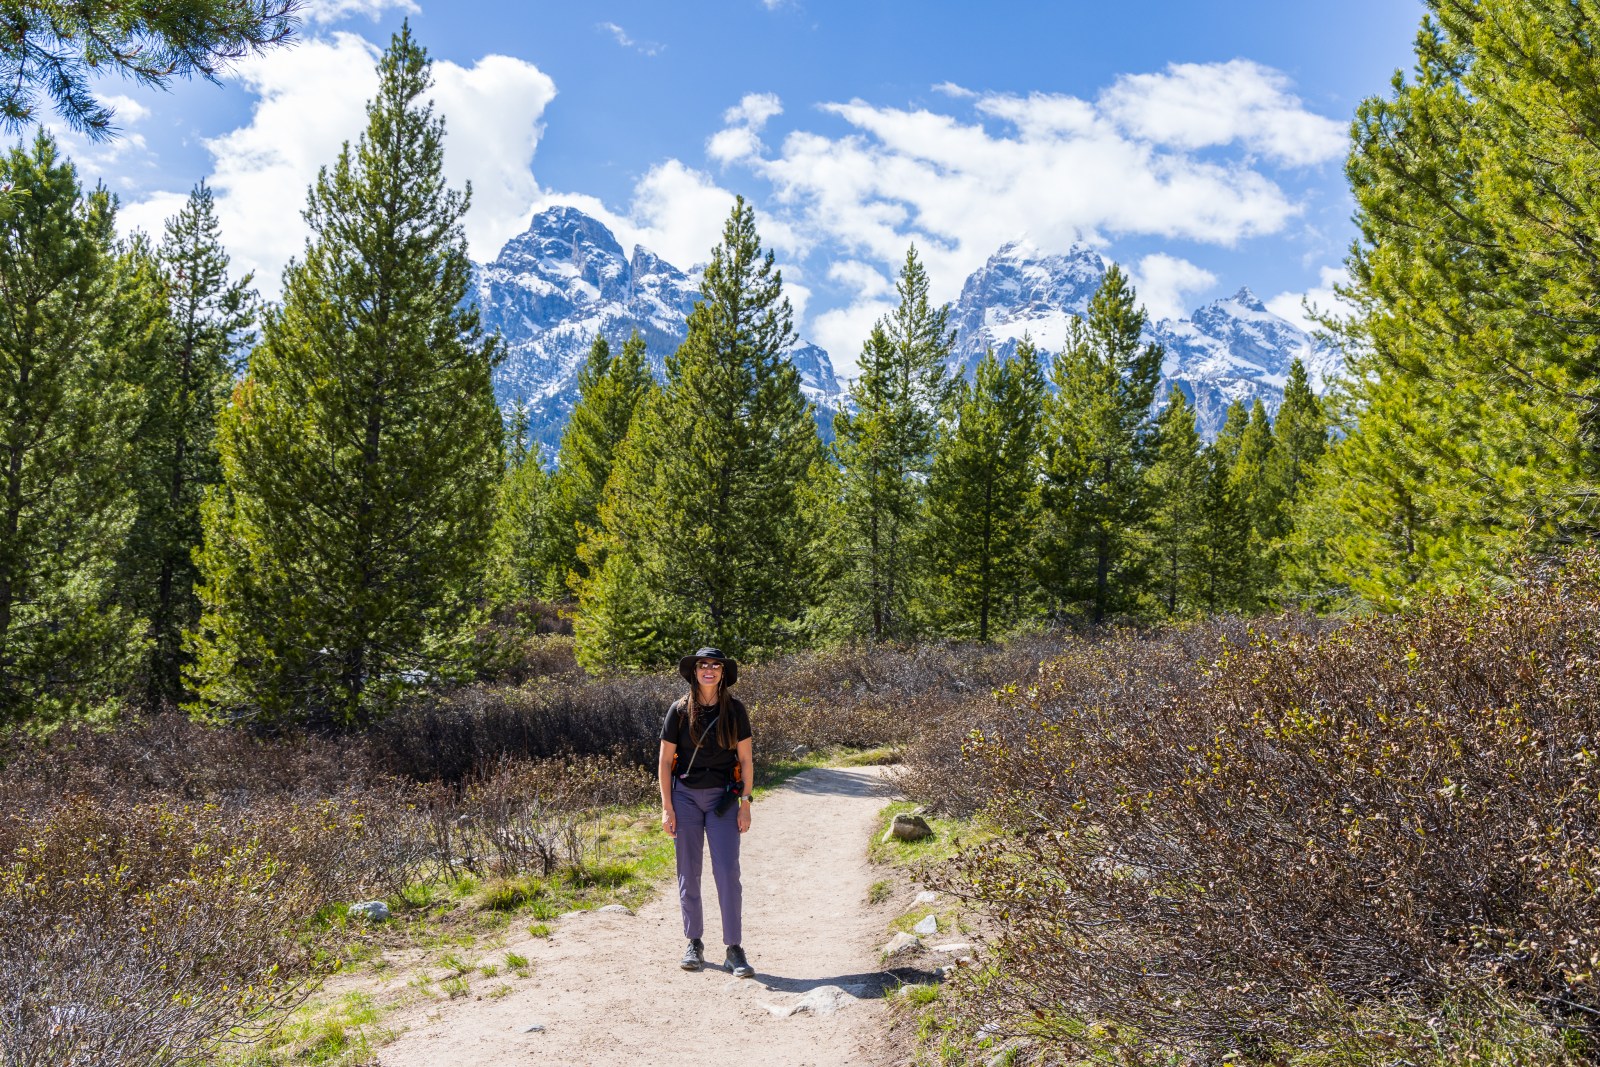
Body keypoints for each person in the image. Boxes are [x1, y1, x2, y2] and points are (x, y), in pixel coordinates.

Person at [659, 646, 755, 976]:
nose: (709, 670)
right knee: (689, 871)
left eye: (715, 665)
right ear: (695, 672)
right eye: (703, 665)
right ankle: (694, 943)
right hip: (684, 798)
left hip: (723, 801)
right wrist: (667, 808)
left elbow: (745, 760)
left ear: (723, 672)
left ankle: (734, 949)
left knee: (727, 871)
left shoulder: (736, 711)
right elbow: (663, 762)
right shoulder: (679, 711)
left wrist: (745, 803)